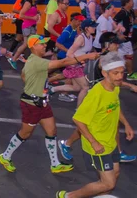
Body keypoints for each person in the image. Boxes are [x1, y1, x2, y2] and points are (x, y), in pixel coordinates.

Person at [0, 35, 98, 174]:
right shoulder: (37, 62)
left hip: (42, 103)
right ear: (33, 47)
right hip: (31, 105)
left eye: (45, 44)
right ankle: (5, 156)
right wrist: (85, 57)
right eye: (41, 44)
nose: (45, 46)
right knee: (25, 133)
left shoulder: (35, 61)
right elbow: (61, 62)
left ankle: (55, 164)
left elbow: (23, 75)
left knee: (52, 132)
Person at [56, 59, 135, 198]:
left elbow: (115, 107)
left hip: (110, 142)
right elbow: (78, 119)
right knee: (108, 183)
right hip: (98, 146)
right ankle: (68, 196)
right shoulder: (96, 94)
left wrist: (126, 124)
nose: (119, 76)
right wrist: (94, 142)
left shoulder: (114, 87)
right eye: (115, 73)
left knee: (115, 174)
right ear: (105, 73)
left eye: (121, 72)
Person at [49, 20, 98, 106]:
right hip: (74, 65)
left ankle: (53, 89)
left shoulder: (90, 37)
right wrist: (79, 61)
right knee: (85, 87)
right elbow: (69, 53)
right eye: (92, 26)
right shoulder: (80, 38)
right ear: (86, 28)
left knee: (77, 87)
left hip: (79, 65)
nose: (94, 28)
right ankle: (79, 110)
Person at [113, 0, 136, 79]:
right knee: (129, 55)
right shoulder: (122, 13)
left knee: (121, 55)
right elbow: (114, 22)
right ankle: (130, 74)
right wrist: (119, 34)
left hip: (129, 37)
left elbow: (133, 21)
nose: (133, 2)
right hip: (124, 38)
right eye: (131, 1)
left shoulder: (131, 11)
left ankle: (117, 73)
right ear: (127, 3)